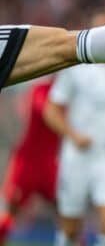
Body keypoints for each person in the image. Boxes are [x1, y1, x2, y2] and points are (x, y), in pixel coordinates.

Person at [43, 11, 105, 246]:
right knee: (70, 228)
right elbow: (51, 110)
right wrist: (74, 136)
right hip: (78, 156)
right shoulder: (76, 69)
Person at [0, 80, 59, 245]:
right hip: (27, 163)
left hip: (49, 164)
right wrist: (71, 130)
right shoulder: (41, 89)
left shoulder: (70, 93)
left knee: (68, 212)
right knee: (10, 212)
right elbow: (46, 112)